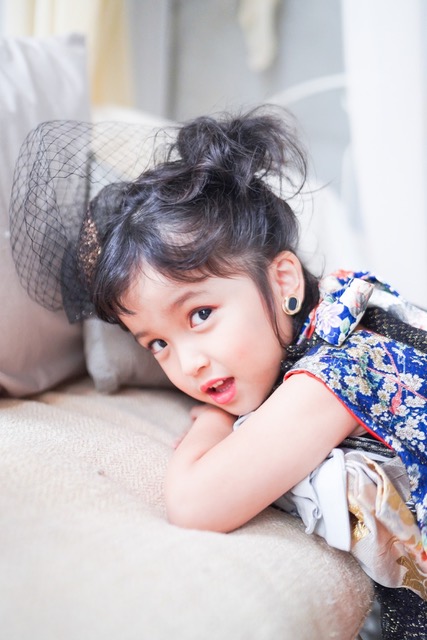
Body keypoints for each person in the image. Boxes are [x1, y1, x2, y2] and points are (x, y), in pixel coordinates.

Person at [10, 107, 427, 637]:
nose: (189, 364)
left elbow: (195, 504)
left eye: (201, 314)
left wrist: (212, 420)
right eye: (158, 343)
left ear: (284, 281)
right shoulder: (334, 312)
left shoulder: (340, 371)